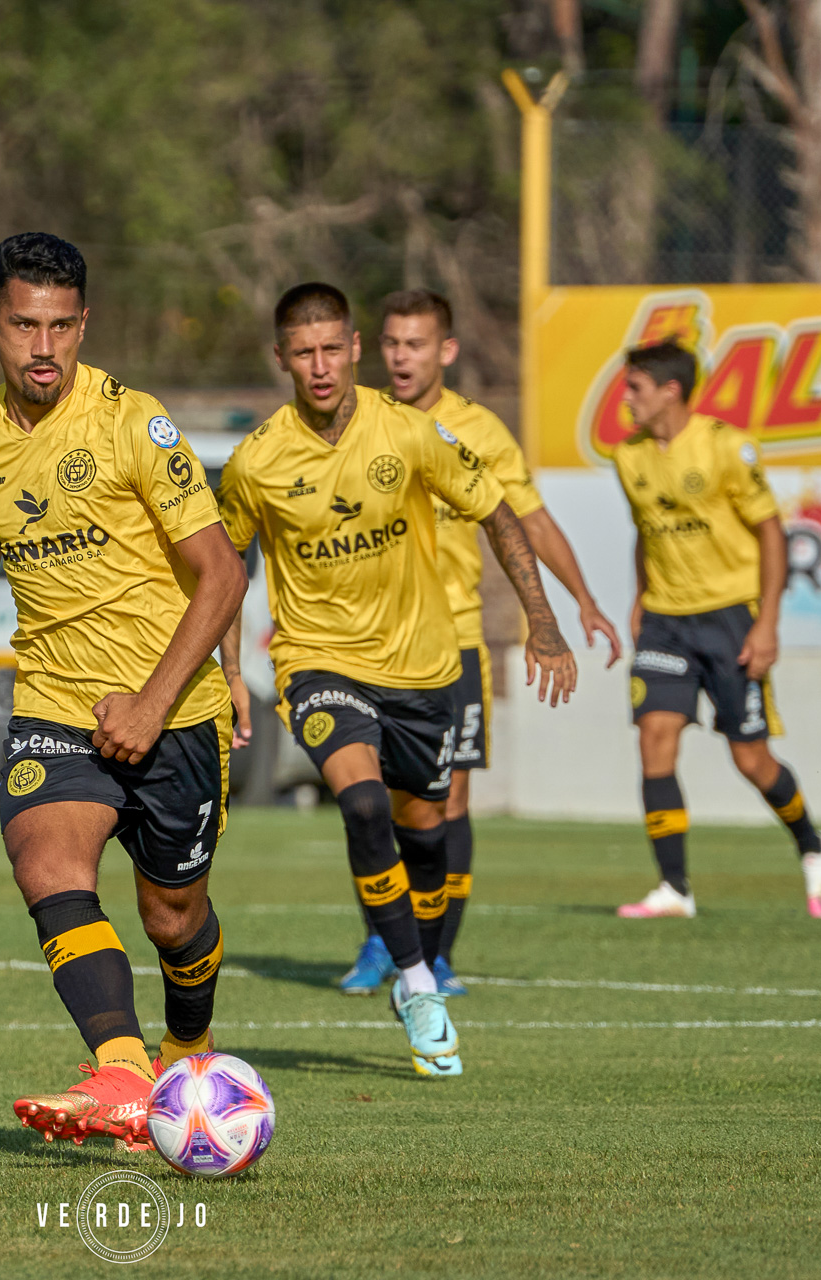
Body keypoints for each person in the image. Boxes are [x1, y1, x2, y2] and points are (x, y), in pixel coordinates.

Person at [0, 232, 246, 1148]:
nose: (41, 348)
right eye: (22, 326)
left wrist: (153, 705)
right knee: (47, 864)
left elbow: (222, 577)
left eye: (59, 327)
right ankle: (125, 1073)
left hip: (174, 716)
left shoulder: (136, 424)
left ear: (84, 325)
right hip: (56, 706)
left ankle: (186, 1046)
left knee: (175, 919)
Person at [216, 282, 577, 1078]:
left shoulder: (412, 433)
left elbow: (497, 512)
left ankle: (418, 957)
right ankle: (418, 986)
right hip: (317, 664)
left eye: (330, 349)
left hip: (423, 672)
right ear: (282, 359)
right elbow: (222, 570)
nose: (318, 366)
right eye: (301, 352)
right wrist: (230, 673)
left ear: (353, 349)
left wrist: (543, 621)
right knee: (364, 801)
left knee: (426, 829)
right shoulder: (255, 463)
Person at [335, 289, 623, 996]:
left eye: (417, 344)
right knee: (370, 797)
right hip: (363, 644)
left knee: (447, 803)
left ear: (446, 351)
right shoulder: (358, 420)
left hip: (451, 642)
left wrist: (578, 600)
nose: (403, 357)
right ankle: (382, 939)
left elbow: (530, 521)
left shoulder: (479, 431)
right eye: (393, 343)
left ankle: (435, 955)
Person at [612, 340, 821, 919]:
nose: (625, 398)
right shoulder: (629, 456)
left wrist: (767, 624)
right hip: (665, 621)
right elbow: (648, 527)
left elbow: (770, 534)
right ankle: (674, 888)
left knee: (751, 760)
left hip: (730, 619)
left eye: (634, 387)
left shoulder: (726, 448)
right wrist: (640, 596)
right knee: (654, 739)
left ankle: (812, 846)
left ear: (669, 390)